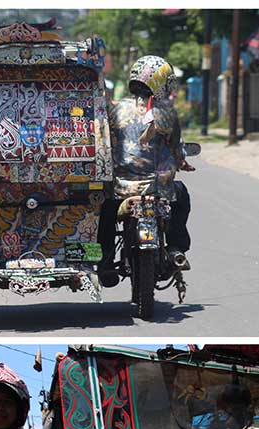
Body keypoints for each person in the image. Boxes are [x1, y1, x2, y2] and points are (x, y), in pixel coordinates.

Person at [98, 55, 194, 285]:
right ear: (160, 82)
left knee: (105, 211)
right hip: (158, 190)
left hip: (120, 188)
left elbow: (106, 142)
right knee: (182, 197)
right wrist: (182, 162)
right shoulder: (168, 113)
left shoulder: (116, 109)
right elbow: (176, 149)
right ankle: (175, 248)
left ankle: (106, 260)